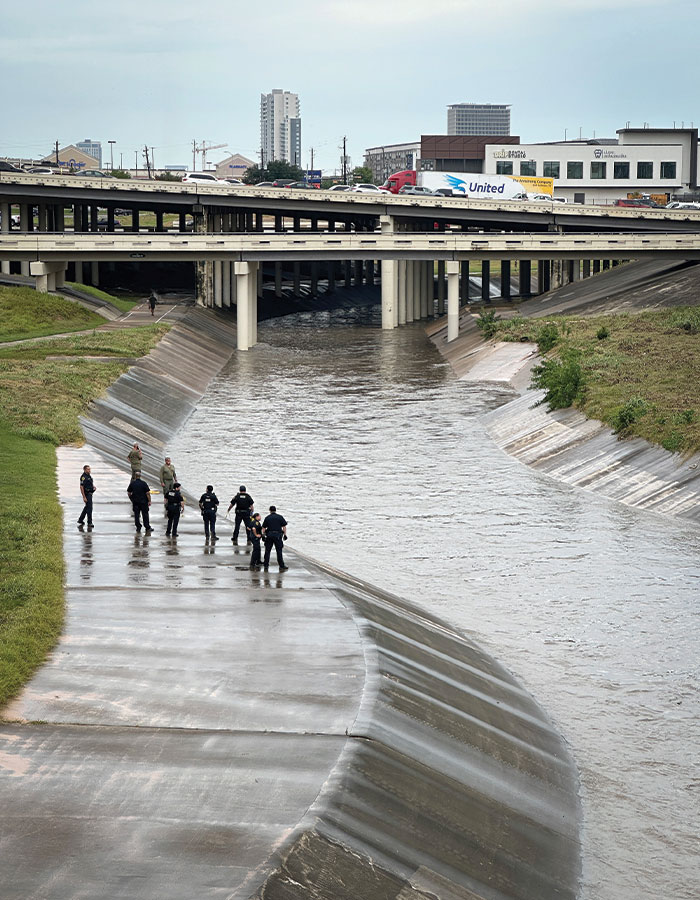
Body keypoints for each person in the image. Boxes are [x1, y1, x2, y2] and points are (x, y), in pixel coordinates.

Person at [262, 505, 288, 571]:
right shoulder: (280, 517)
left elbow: (264, 528)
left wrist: (263, 535)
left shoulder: (267, 518)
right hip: (278, 536)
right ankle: (281, 565)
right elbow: (284, 527)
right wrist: (285, 535)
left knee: (267, 551)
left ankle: (266, 565)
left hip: (269, 535)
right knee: (279, 551)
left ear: (269, 510)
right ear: (275, 510)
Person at [78, 464, 95, 528]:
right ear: (84, 470)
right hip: (87, 494)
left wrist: (93, 487)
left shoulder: (88, 476)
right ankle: (89, 522)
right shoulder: (83, 477)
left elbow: (89, 483)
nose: (89, 470)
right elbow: (81, 487)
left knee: (87, 508)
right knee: (89, 508)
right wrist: (84, 497)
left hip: (90, 493)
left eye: (90, 469)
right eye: (88, 469)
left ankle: (80, 520)